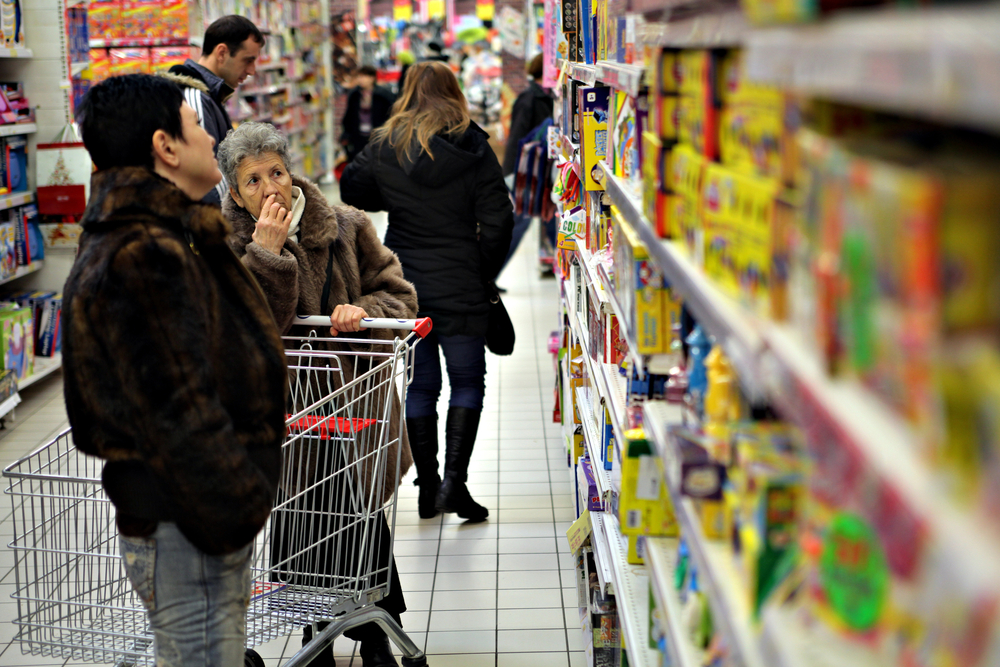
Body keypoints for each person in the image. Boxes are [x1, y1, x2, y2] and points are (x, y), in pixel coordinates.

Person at [64, 75, 288, 667]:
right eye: (196, 127)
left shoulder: (166, 235)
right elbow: (175, 410)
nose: (211, 139)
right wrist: (239, 506)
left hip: (189, 516)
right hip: (190, 521)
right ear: (165, 146)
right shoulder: (144, 253)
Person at [219, 121, 418, 667]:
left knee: (358, 515)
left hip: (354, 405)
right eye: (253, 181)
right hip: (281, 411)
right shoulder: (225, 243)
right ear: (235, 194)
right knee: (298, 519)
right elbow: (239, 325)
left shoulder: (347, 227)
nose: (270, 189)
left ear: (293, 172)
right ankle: (317, 635)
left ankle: (378, 631)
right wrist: (264, 253)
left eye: (276, 172)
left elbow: (399, 295)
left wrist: (365, 313)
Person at [341, 61, 514, 522]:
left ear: (406, 92)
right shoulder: (473, 145)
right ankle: (454, 484)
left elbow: (351, 186)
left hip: (406, 283)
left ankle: (428, 486)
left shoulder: (384, 143)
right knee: (466, 382)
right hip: (461, 282)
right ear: (454, 92)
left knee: (420, 386)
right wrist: (482, 269)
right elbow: (499, 220)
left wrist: (393, 195)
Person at [162, 15, 264, 205]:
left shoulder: (209, 96)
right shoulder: (194, 98)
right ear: (222, 52)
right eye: (247, 60)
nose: (251, 70)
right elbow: (201, 176)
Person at [500, 53, 555, 271]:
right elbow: (517, 138)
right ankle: (488, 278)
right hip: (524, 172)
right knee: (519, 224)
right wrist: (513, 175)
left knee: (549, 218)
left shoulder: (545, 96)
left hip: (538, 171)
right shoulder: (530, 98)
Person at [341, 65, 396, 163]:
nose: (361, 79)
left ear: (372, 78)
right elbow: (349, 116)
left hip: (378, 136)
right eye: (359, 77)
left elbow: (391, 114)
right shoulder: (354, 95)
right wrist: (346, 134)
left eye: (364, 76)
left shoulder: (383, 95)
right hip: (358, 136)